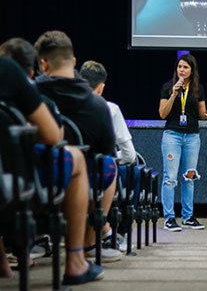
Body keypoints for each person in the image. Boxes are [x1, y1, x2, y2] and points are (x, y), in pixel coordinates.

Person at [0, 54, 103, 285]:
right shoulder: (6, 70)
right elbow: (52, 135)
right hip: (9, 184)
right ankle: (76, 261)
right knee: (75, 156)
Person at [33, 31, 122, 263]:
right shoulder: (98, 105)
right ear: (73, 62)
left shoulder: (29, 96)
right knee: (108, 164)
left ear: (43, 64)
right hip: (79, 184)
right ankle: (90, 242)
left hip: (31, 182)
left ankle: (32, 239)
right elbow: (107, 153)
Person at [79, 60, 138, 252]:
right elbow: (129, 155)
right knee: (133, 172)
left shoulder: (59, 104)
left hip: (66, 171)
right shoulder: (110, 109)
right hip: (98, 173)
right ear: (101, 87)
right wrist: (113, 157)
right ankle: (116, 233)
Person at [159, 54, 207, 232]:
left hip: (192, 136)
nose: (182, 70)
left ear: (192, 70)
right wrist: (174, 94)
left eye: (185, 67)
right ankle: (169, 218)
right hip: (172, 135)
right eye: (179, 67)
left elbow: (200, 115)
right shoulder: (168, 87)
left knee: (189, 177)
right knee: (170, 178)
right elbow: (162, 113)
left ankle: (187, 217)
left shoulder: (198, 88)